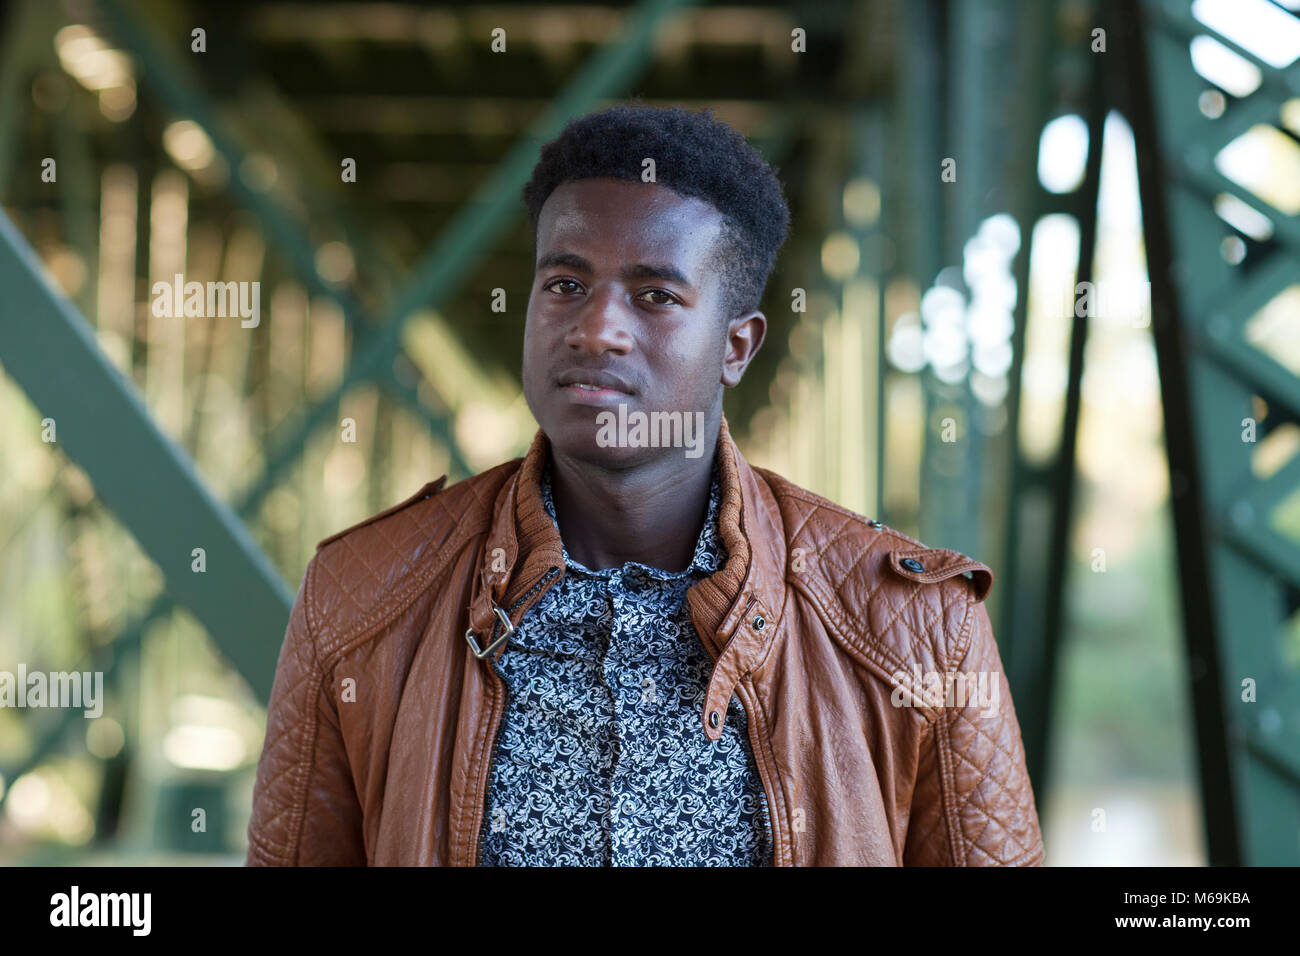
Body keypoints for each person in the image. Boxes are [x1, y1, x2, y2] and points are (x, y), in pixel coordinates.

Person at [245, 103, 1044, 866]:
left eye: (655, 296)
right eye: (565, 285)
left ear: (737, 346)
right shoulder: (358, 601)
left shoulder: (915, 629)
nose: (596, 328)